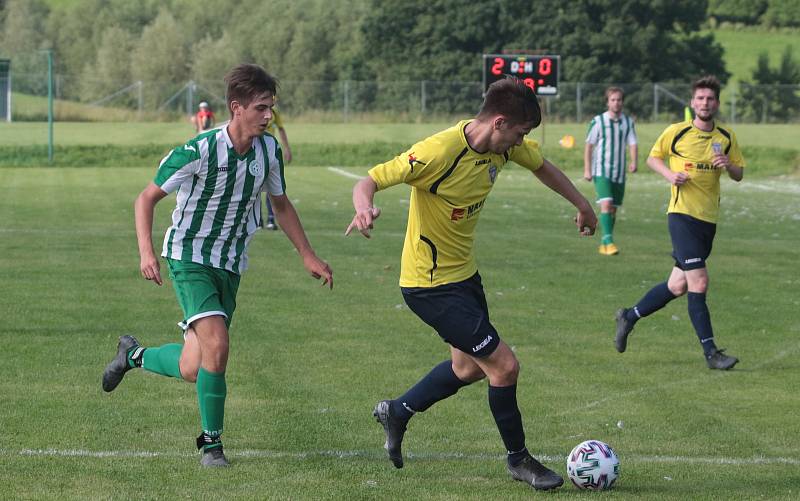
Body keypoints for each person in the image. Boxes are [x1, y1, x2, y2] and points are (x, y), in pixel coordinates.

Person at [345, 77, 597, 491]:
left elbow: (543, 167)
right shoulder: (438, 152)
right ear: (499, 122)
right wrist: (364, 207)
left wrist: (583, 205)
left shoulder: (506, 146)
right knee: (504, 366)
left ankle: (398, 411)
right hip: (428, 285)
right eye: (520, 132)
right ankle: (519, 460)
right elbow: (369, 180)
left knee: (467, 368)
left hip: (464, 276)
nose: (522, 141)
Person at [101, 64, 333, 467]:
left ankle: (132, 356)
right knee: (219, 346)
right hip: (189, 257)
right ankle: (212, 446)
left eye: (271, 108)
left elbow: (280, 204)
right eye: (261, 108)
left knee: (195, 366)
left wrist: (307, 255)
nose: (268, 116)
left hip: (230, 263)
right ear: (236, 107)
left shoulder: (268, 151)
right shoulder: (199, 150)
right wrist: (146, 251)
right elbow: (146, 199)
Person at [615, 75, 744, 370]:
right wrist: (670, 175)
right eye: (700, 98)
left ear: (717, 104)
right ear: (692, 102)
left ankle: (629, 316)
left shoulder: (725, 137)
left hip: (707, 220)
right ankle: (711, 353)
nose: (704, 103)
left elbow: (739, 174)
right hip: (681, 216)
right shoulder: (677, 132)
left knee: (678, 286)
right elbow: (653, 158)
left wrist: (729, 166)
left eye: (710, 99)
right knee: (699, 280)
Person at [583, 87, 638, 255]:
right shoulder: (599, 121)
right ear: (607, 102)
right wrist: (587, 168)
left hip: (619, 172)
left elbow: (633, 143)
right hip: (601, 170)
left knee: (613, 208)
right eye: (613, 99)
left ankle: (605, 241)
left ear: (622, 102)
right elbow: (589, 145)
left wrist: (634, 161)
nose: (616, 102)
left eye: (619, 99)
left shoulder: (628, 122)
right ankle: (609, 241)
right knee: (606, 204)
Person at [264, 105, 292, 230]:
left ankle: (270, 219)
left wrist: (287, 148)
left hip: (269, 151)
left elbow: (281, 129)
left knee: (272, 186)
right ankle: (257, 220)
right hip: (254, 149)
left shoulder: (274, 113)